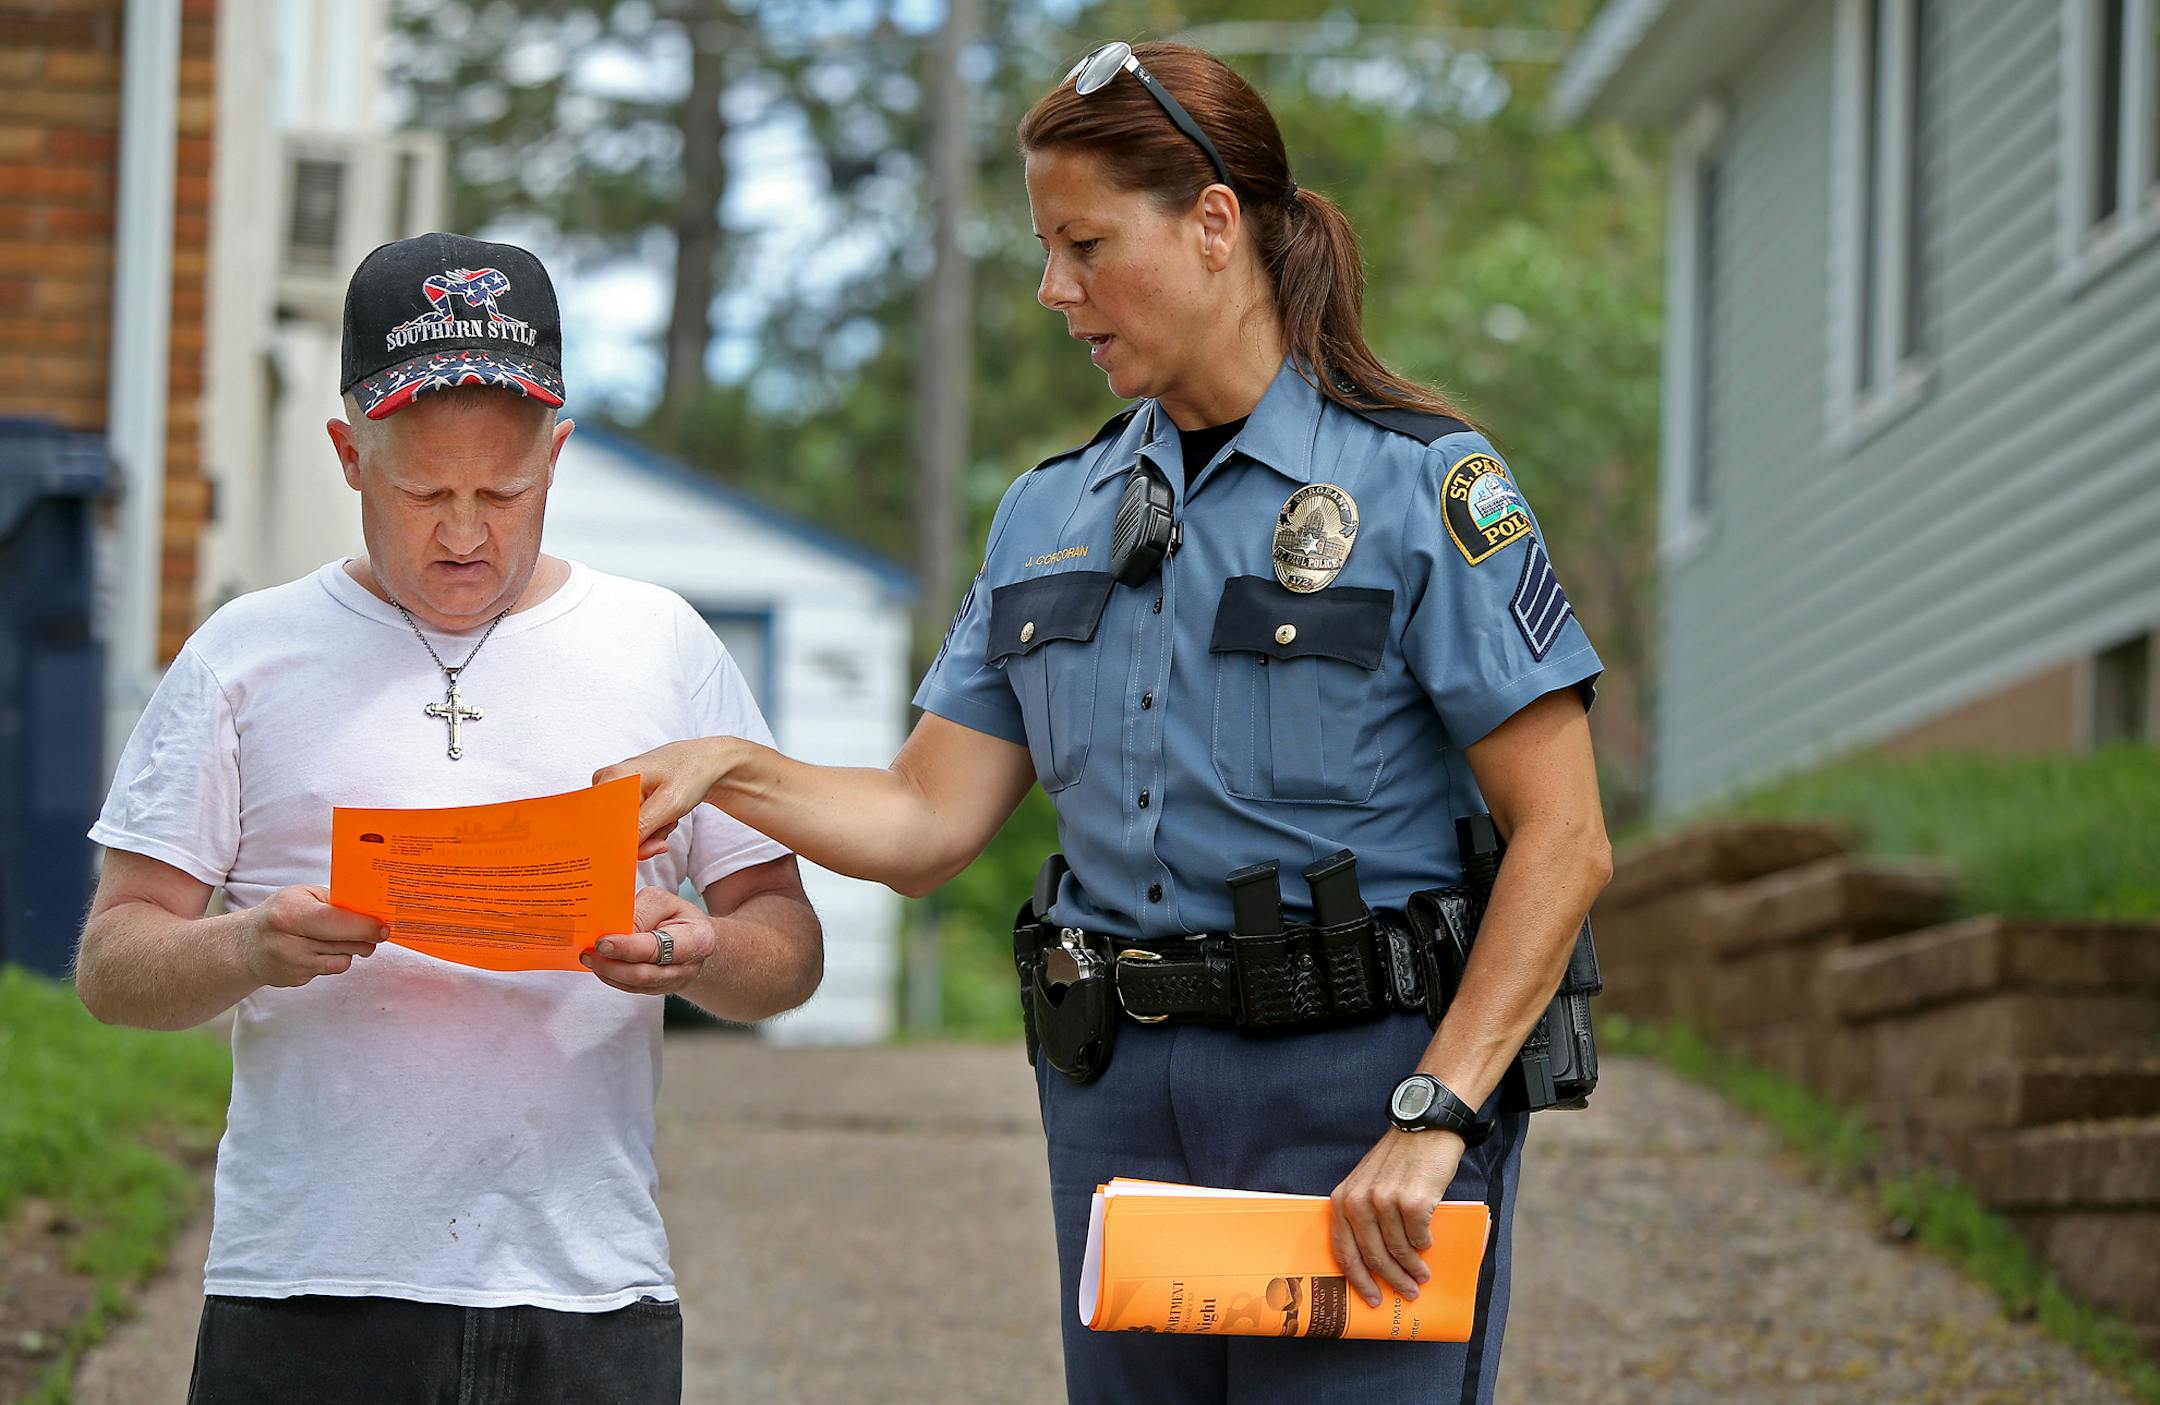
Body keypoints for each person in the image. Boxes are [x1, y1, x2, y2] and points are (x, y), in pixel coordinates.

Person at [602, 40, 1609, 1405]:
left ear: (1211, 224)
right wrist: (731, 769)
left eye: (1083, 243)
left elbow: (1564, 837)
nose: (1052, 289)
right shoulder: (1048, 515)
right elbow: (921, 819)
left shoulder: (1423, 486)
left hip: (1363, 1094)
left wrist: (1439, 1112)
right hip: (1121, 1099)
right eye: (1042, 245)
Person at [73, 232, 822, 1405]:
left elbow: (787, 951)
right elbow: (114, 965)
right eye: (425, 492)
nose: (466, 534)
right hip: (306, 1287)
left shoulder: (662, 646)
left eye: (503, 492)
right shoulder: (242, 656)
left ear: (558, 456)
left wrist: (697, 949)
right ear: (348, 455)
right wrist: (247, 945)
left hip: (590, 1292)